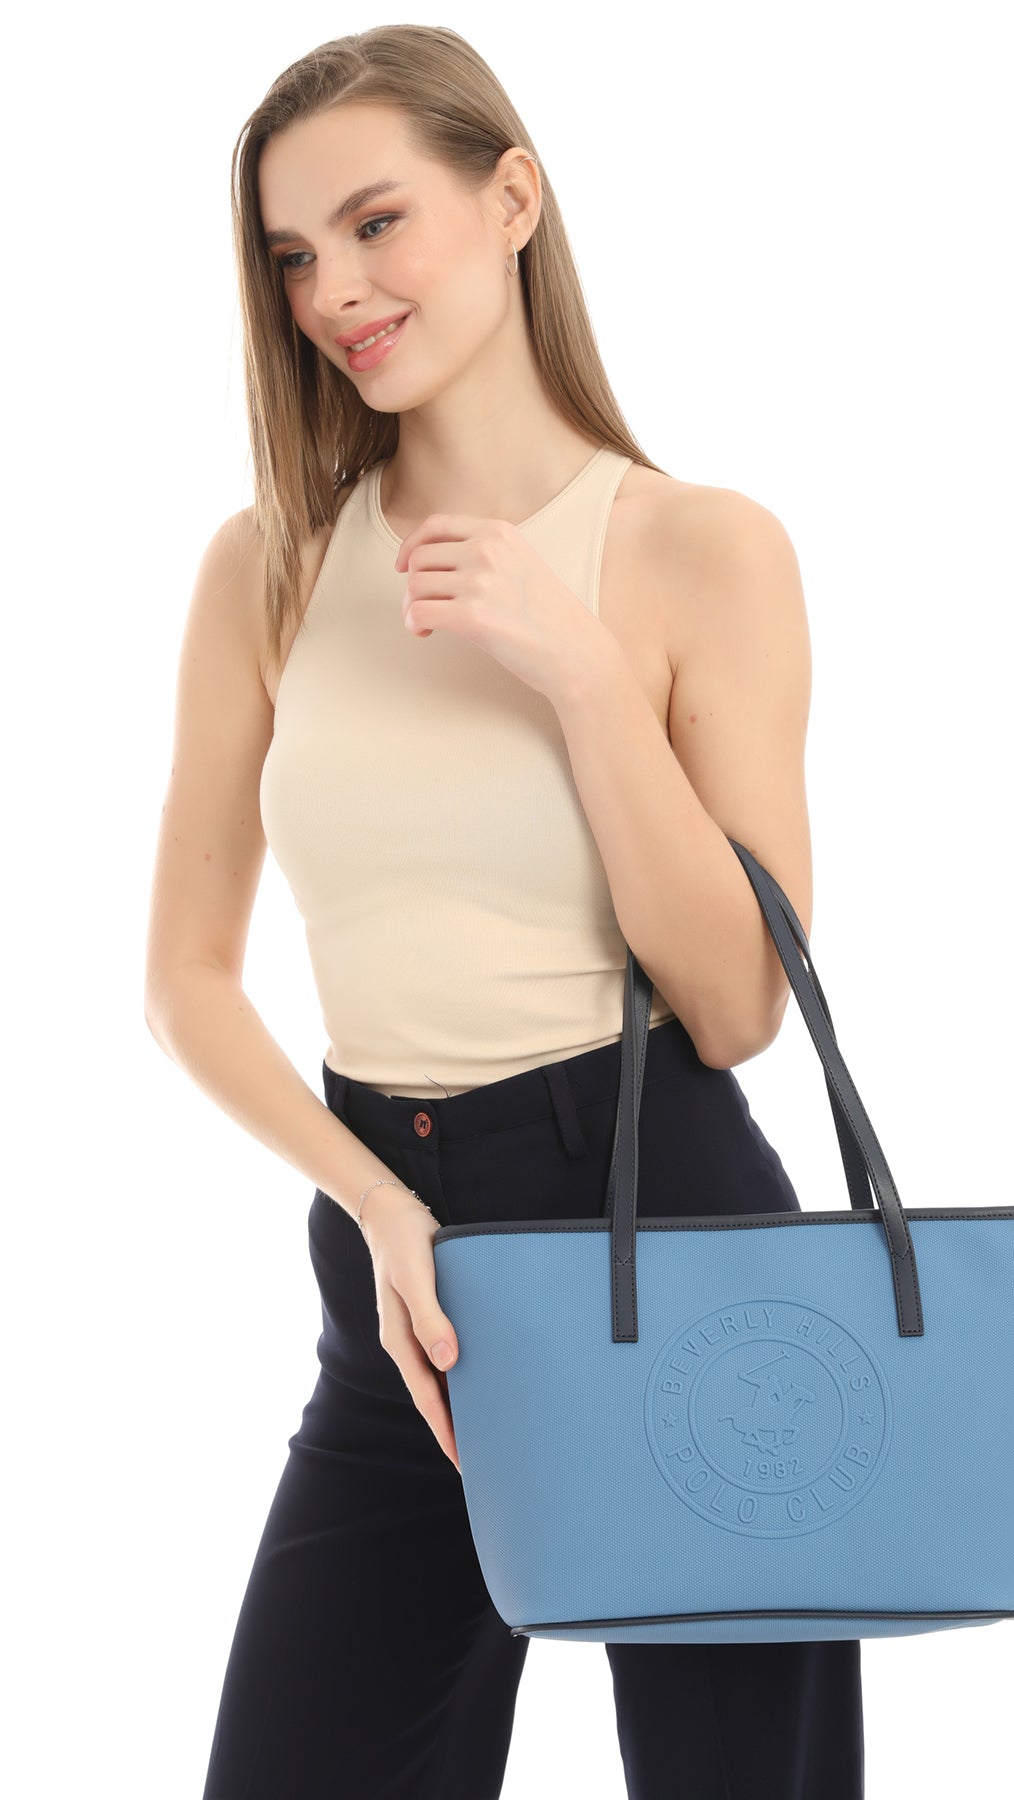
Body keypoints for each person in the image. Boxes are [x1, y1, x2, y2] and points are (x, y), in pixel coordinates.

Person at [144, 23, 864, 1800]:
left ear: (514, 197)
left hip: (668, 1238)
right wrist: (378, 1204)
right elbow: (185, 980)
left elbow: (738, 1005)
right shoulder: (269, 566)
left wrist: (580, 667)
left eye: (377, 222)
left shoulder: (702, 549)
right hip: (398, 1263)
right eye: (293, 255)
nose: (333, 291)